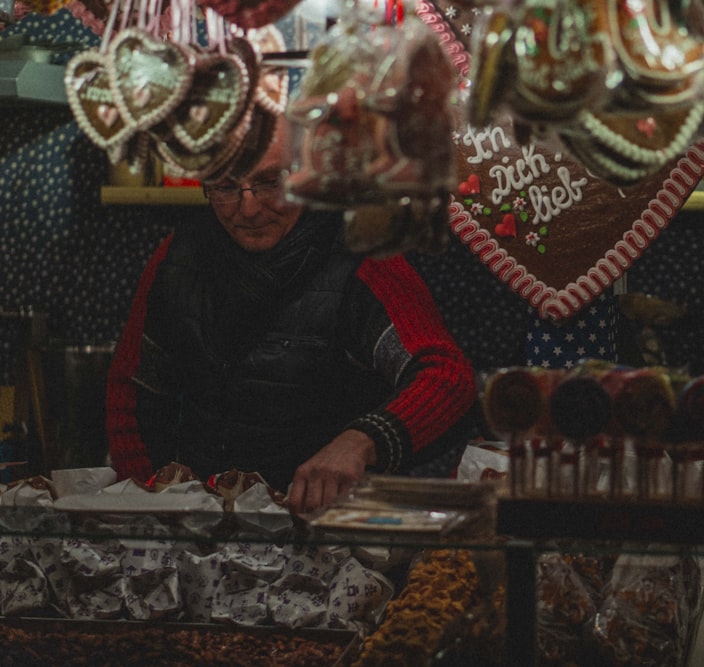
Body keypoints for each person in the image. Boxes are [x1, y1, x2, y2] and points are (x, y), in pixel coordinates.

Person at [105, 121, 477, 514]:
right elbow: (132, 388)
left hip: (326, 528)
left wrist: (359, 442)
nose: (248, 208)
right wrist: (146, 503)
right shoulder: (178, 256)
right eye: (226, 187)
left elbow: (446, 376)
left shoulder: (363, 258)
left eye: (270, 183)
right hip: (204, 527)